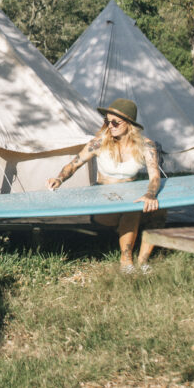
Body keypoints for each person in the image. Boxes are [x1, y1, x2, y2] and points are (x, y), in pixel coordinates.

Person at [46, 98, 165, 274]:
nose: (110, 126)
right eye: (107, 121)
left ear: (129, 124)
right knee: (132, 210)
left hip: (128, 197)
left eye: (115, 122)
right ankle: (126, 260)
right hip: (104, 203)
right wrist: (59, 178)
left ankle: (143, 261)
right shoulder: (99, 143)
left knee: (161, 211)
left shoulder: (146, 145)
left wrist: (151, 194)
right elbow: (74, 164)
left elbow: (155, 175)